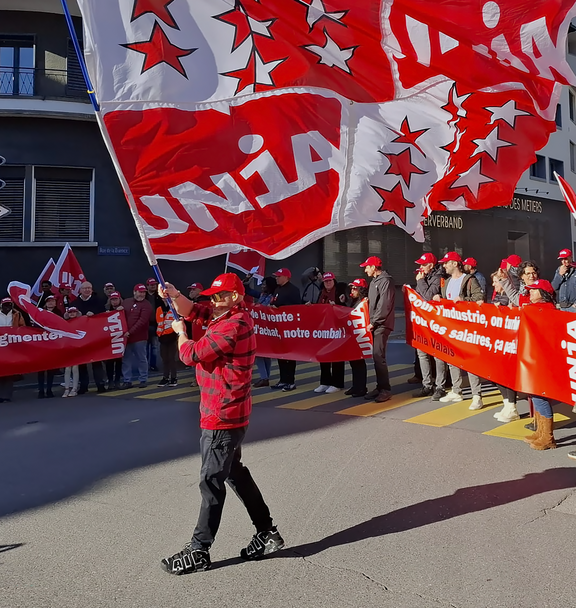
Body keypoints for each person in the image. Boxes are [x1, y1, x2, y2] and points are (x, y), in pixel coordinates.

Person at [159, 273, 284, 575]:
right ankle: (267, 532)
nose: (213, 301)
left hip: (222, 415)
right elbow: (193, 311)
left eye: (220, 296)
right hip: (229, 413)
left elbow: (192, 354)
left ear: (236, 298)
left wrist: (180, 333)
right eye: (212, 296)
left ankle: (199, 549)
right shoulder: (223, 316)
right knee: (235, 474)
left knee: (211, 482)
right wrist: (175, 295)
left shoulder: (234, 325)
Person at [433, 252, 485, 410]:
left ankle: (477, 395)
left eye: (446, 263)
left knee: (469, 361)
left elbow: (479, 299)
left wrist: (464, 300)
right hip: (451, 325)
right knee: (452, 358)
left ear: (455, 264)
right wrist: (438, 299)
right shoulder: (447, 282)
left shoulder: (469, 280)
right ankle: (457, 390)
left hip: (466, 327)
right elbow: (446, 302)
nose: (444, 266)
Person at [522, 280, 558, 450]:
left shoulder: (545, 310)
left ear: (542, 294)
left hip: (542, 359)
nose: (530, 293)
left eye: (533, 291)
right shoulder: (535, 309)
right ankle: (541, 431)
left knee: (540, 394)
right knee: (534, 392)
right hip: (535, 357)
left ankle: (548, 437)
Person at [412, 253, 448, 401]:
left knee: (438, 354)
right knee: (422, 353)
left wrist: (420, 282)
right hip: (424, 321)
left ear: (431, 266)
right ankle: (427, 384)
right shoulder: (425, 277)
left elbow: (427, 295)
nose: (420, 268)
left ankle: (440, 386)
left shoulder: (438, 277)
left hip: (436, 321)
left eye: (423, 265)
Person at [361, 256, 395, 403]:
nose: (365, 270)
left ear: (374, 268)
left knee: (378, 356)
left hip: (382, 324)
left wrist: (374, 322)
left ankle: (385, 389)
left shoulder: (385, 281)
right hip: (376, 324)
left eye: (367, 267)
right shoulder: (375, 281)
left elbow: (384, 304)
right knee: (376, 357)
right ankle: (380, 386)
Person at [314, 272, 347, 394]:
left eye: (330, 281)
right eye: (326, 281)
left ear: (334, 281)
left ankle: (337, 383)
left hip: (337, 329)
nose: (328, 283)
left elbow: (345, 307)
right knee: (324, 355)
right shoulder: (321, 293)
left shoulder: (340, 292)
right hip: (324, 329)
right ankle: (325, 382)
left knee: (337, 356)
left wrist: (337, 305)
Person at [271, 268, 301, 391]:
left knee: (290, 355)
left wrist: (280, 308)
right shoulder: (277, 289)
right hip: (278, 327)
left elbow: (296, 308)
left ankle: (290, 381)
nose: (276, 278)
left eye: (279, 276)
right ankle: (283, 379)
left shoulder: (293, 290)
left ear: (286, 277)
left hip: (289, 328)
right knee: (280, 354)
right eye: (276, 276)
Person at [244, 276, 277, 387]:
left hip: (267, 328)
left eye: (265, 284)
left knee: (262, 353)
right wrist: (247, 279)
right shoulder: (262, 295)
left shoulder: (273, 297)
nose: (262, 286)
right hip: (259, 328)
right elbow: (248, 290)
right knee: (262, 353)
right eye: (262, 284)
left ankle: (264, 377)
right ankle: (265, 377)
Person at [75, 281, 107, 394]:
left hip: (95, 336)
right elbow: (69, 316)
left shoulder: (99, 301)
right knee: (82, 363)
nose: (87, 290)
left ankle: (100, 385)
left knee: (97, 361)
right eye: (85, 288)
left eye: (89, 288)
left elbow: (104, 315)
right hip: (80, 337)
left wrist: (95, 314)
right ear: (80, 290)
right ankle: (83, 386)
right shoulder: (74, 303)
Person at [120, 284, 153, 389]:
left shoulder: (147, 305)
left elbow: (142, 321)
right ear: (134, 292)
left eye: (143, 292)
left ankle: (143, 379)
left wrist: (130, 332)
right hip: (126, 336)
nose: (142, 294)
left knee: (141, 359)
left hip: (139, 337)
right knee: (126, 359)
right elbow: (120, 315)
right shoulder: (126, 302)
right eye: (140, 292)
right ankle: (127, 380)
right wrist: (118, 310)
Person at [345, 279, 368, 397]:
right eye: (351, 288)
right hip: (353, 335)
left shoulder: (363, 302)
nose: (352, 290)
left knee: (359, 361)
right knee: (353, 361)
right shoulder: (353, 301)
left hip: (359, 334)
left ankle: (361, 387)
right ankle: (355, 386)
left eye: (355, 288)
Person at [0, 297, 25, 403]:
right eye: (5, 305)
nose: (7, 307)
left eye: (9, 305)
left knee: (9, 371)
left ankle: (6, 395)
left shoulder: (17, 314)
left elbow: (22, 327)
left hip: (11, 345)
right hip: (0, 344)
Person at [37, 296, 61, 398]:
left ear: (55, 303)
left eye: (52, 301)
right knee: (41, 369)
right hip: (41, 344)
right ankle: (41, 390)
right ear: (45, 303)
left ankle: (49, 389)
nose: (50, 303)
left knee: (51, 369)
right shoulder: (39, 313)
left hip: (53, 344)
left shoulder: (59, 313)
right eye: (48, 301)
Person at [156, 299, 178, 387]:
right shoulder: (159, 308)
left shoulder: (175, 308)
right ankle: (165, 378)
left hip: (172, 336)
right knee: (165, 358)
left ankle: (173, 378)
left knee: (171, 358)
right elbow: (158, 323)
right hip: (162, 337)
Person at [105, 291, 124, 389]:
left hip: (119, 339)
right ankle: (110, 381)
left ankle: (117, 381)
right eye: (112, 299)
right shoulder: (106, 310)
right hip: (110, 339)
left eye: (116, 299)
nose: (114, 301)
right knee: (109, 362)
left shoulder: (123, 309)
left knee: (119, 361)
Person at [63, 306, 81, 398]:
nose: (72, 314)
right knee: (67, 368)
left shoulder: (82, 322)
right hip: (68, 347)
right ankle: (67, 389)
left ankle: (74, 388)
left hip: (77, 347)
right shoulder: (65, 323)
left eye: (74, 312)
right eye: (70, 312)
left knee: (75, 368)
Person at [145, 277, 162, 371]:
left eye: (154, 285)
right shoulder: (144, 295)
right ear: (147, 286)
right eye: (151, 285)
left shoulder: (159, 295)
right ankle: (145, 366)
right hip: (146, 324)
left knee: (155, 346)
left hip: (156, 324)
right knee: (146, 347)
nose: (153, 286)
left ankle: (153, 365)